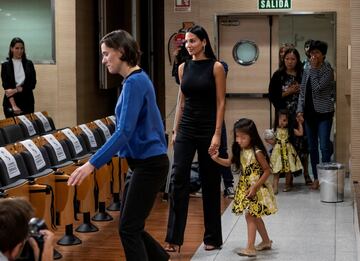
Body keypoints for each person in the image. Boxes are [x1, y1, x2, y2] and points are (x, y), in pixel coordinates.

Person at [67, 29, 170, 261]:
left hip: (149, 164)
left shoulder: (134, 82)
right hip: (142, 164)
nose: (103, 60)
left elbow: (124, 132)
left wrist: (91, 165)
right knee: (131, 225)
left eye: (106, 54)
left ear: (121, 52)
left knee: (128, 229)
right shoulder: (136, 79)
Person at [164, 25, 226, 252]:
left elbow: (221, 102)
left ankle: (212, 238)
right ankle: (173, 237)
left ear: (204, 42)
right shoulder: (183, 68)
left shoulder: (216, 67)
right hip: (187, 128)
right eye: (186, 42)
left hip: (208, 127)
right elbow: (181, 102)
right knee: (178, 178)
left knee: (210, 181)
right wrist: (175, 130)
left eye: (192, 41)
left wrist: (217, 134)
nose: (188, 45)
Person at [210, 118, 277, 257]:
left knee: (250, 215)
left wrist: (255, 187)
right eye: (237, 136)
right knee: (255, 216)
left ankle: (250, 247)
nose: (239, 140)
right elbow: (229, 162)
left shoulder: (257, 151)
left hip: (257, 189)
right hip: (246, 187)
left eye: (243, 137)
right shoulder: (240, 150)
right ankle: (266, 241)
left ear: (251, 137)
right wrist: (216, 158)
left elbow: (267, 171)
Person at [268, 47, 312, 185]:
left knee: (304, 144)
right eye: (287, 59)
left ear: (297, 60)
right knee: (287, 145)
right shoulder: (278, 75)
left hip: (301, 115)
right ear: (283, 59)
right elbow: (272, 96)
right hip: (284, 116)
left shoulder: (303, 74)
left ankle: (306, 173)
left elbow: (309, 95)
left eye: (293, 59)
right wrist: (288, 92)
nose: (290, 62)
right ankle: (289, 176)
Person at [297, 40, 335, 190]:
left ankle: (326, 179)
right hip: (309, 115)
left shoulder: (328, 70)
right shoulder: (307, 69)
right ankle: (316, 178)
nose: (313, 56)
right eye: (311, 53)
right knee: (312, 148)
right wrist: (299, 110)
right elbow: (302, 92)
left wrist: (313, 69)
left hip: (324, 114)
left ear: (323, 55)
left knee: (324, 147)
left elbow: (318, 88)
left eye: (317, 53)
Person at [266, 109, 303, 194]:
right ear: (276, 120)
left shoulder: (290, 130)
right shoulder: (274, 131)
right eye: (280, 120)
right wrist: (267, 140)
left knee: (288, 170)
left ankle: (287, 184)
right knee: (276, 170)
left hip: (288, 151)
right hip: (278, 152)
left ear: (288, 121)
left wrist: (300, 123)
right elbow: (273, 142)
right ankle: (275, 186)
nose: (282, 122)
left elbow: (300, 133)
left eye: (284, 120)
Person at [1, 37, 37, 118]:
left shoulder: (29, 64)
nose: (20, 51)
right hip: (11, 103)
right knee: (13, 129)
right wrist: (14, 106)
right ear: (11, 49)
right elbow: (7, 88)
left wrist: (17, 89)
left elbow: (32, 84)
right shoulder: (5, 65)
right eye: (17, 48)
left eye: (22, 48)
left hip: (27, 102)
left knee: (28, 129)